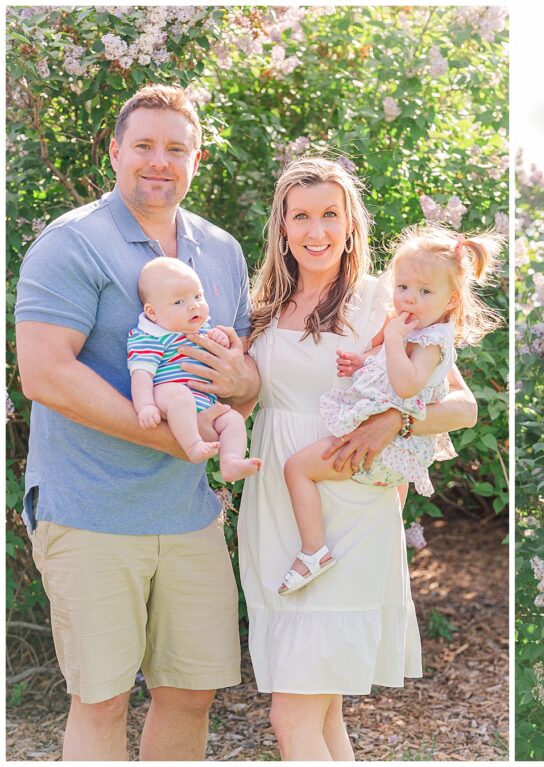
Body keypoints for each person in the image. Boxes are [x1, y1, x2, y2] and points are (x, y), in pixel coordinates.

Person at [14, 84, 259, 760]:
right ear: (116, 152)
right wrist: (167, 434)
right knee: (102, 699)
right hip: (91, 512)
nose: (160, 161)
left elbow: (235, 369)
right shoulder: (73, 243)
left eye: (176, 148)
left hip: (188, 515)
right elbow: (44, 373)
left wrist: (246, 385)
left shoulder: (221, 251)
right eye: (144, 145)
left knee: (191, 690)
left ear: (197, 158)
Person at [238, 156, 479, 760]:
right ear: (282, 227)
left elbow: (463, 407)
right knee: (322, 714)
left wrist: (393, 420)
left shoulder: (384, 301)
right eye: (301, 217)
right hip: (276, 508)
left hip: (346, 503)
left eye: (329, 215)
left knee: (293, 714)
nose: (315, 231)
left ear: (350, 225)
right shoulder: (264, 304)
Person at [279, 224, 503, 595]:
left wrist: (396, 340)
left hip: (387, 447)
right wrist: (361, 360)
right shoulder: (406, 324)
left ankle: (313, 550)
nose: (409, 299)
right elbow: (378, 358)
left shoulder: (431, 340)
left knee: (298, 468)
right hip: (387, 447)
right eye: (403, 287)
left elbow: (406, 385)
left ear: (451, 300)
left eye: (424, 291)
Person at [129, 257, 262, 479]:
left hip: (203, 403)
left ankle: (231, 462)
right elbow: (141, 374)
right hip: (167, 395)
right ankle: (192, 446)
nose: (193, 305)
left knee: (233, 419)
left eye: (198, 296)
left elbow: (222, 357)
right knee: (179, 395)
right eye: (179, 302)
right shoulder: (150, 336)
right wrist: (145, 406)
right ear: (153, 313)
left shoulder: (202, 329)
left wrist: (221, 339)